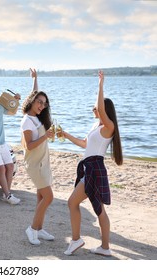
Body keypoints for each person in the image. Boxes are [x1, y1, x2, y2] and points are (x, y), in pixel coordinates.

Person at [63, 70, 123, 256]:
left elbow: (100, 107)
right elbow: (84, 144)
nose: (93, 109)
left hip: (95, 169)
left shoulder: (109, 127)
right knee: (97, 210)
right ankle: (104, 248)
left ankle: (76, 240)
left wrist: (100, 84)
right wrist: (65, 135)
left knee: (74, 203)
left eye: (96, 107)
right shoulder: (95, 127)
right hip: (89, 168)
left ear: (103, 110)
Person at [20, 68, 55, 245]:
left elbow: (35, 94)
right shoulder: (27, 120)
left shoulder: (37, 117)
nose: (41, 105)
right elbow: (28, 146)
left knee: (42, 197)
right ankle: (32, 229)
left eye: (44, 103)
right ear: (32, 102)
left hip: (44, 162)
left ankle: (39, 229)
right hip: (35, 165)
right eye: (39, 102)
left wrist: (35, 79)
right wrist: (45, 136)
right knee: (49, 197)